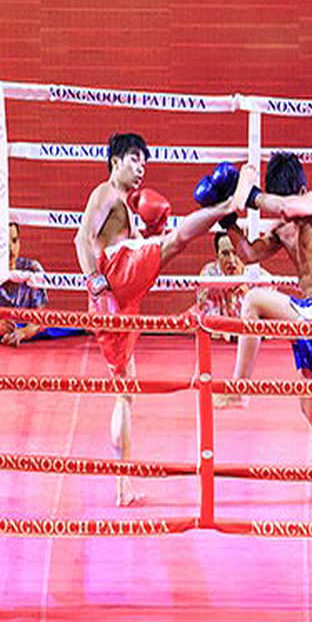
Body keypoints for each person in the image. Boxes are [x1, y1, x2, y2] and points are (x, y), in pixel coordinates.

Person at [74, 132, 242, 503]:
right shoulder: (105, 193)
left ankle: (122, 485)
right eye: (134, 159)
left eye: (144, 162)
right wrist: (97, 285)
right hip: (112, 280)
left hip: (119, 294)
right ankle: (226, 206)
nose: (141, 168)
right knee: (176, 242)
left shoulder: (125, 204)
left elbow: (134, 243)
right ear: (115, 161)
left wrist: (151, 231)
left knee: (125, 392)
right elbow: (81, 239)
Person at [217, 155, 312, 503]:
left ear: (301, 190)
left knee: (253, 301)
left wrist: (249, 194)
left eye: (285, 198)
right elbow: (248, 254)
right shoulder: (282, 229)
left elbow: (289, 207)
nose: (282, 214)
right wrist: (228, 221)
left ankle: (238, 390)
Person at [196, 228, 267, 407]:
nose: (232, 260)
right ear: (217, 257)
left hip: (255, 354)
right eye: (225, 254)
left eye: (236, 253)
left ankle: (237, 394)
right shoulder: (209, 276)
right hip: (219, 351)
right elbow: (209, 324)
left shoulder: (260, 278)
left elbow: (266, 328)